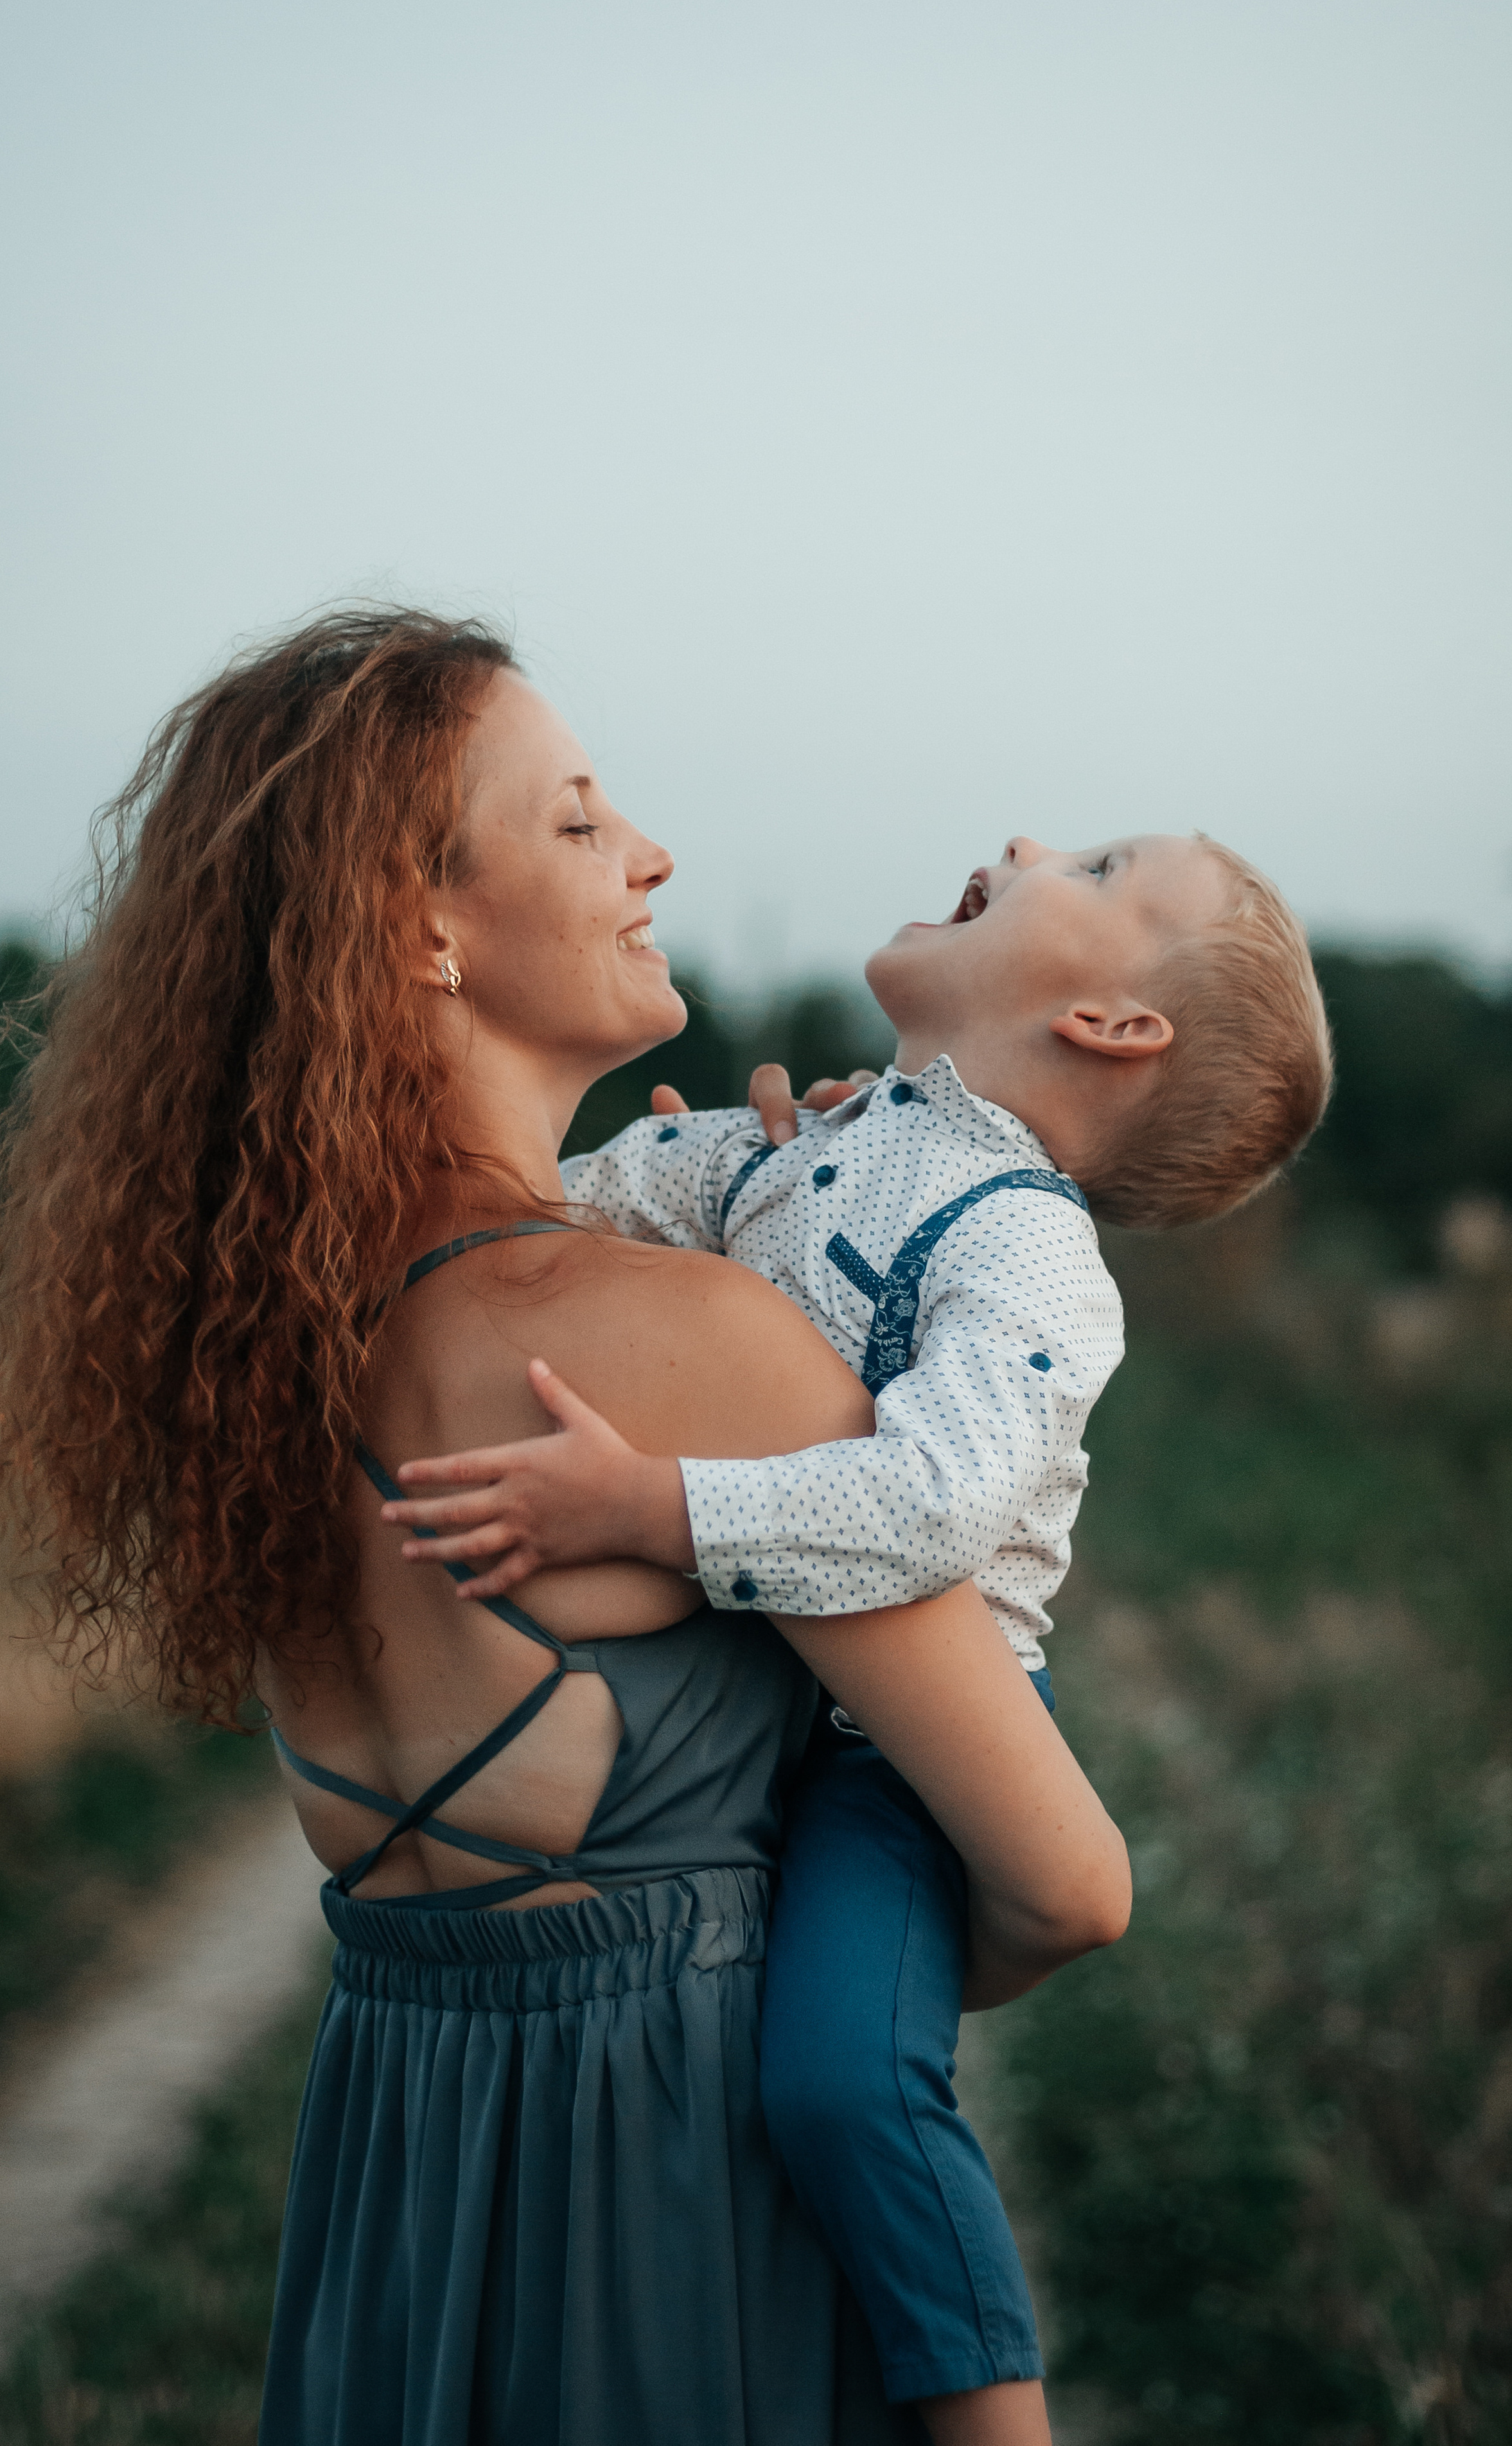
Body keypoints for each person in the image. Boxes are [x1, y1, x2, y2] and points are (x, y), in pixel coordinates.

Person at [0, 608, 1130, 2446]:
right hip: (682, 2201)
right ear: (420, 924)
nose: (649, 851)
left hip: (402, 2183)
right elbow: (1064, 1878)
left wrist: (760, 1203)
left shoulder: (263, 1351)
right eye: (577, 820)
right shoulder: (702, 1348)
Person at [380, 827, 1333, 2413]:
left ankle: (984, 2405)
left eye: (1093, 868)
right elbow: (538, 1223)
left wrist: (651, 1509)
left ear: (1109, 1026)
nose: (1026, 841)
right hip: (738, 1726)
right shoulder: (802, 1138)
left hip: (885, 1760)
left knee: (838, 2083)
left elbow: (931, 1511)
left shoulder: (1027, 1249)